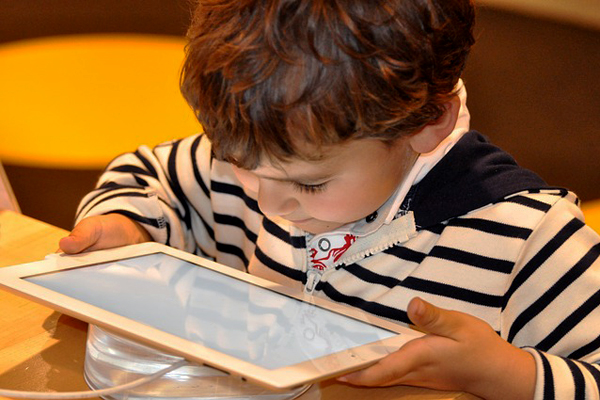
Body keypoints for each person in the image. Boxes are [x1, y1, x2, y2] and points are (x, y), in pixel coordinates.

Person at [59, 0, 600, 399]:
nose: (270, 204)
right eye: (242, 166)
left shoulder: (527, 237)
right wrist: (126, 224)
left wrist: (505, 374)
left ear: (427, 123)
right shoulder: (272, 155)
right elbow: (153, 177)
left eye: (310, 185)